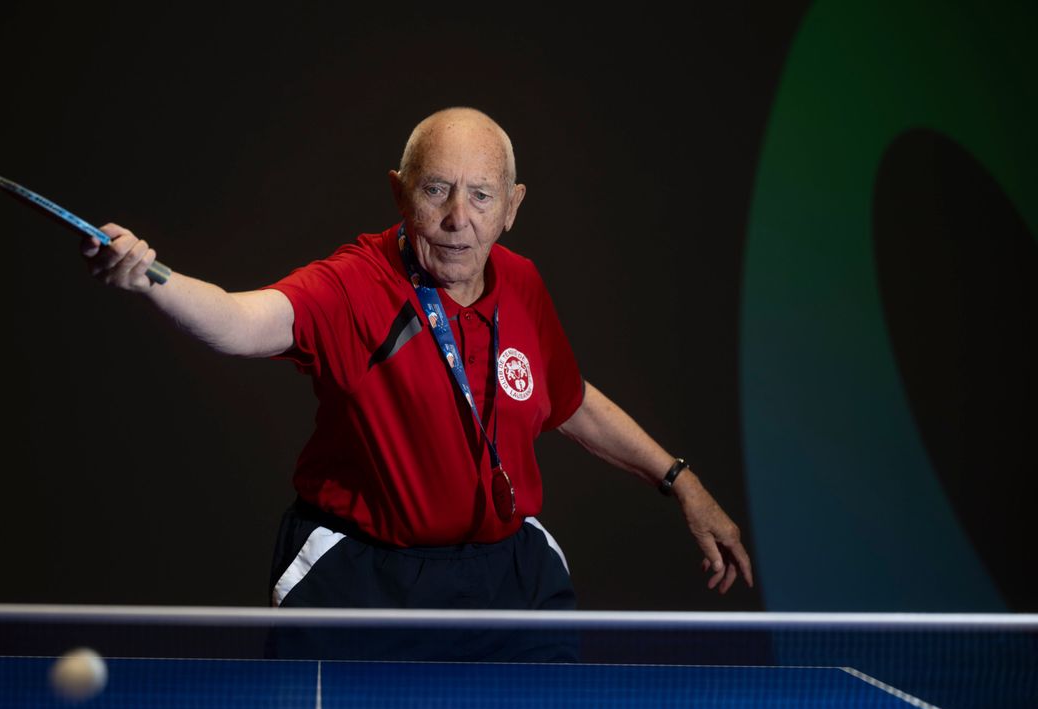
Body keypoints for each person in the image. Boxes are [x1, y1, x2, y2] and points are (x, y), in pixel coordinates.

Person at [80, 108, 753, 657]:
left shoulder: (521, 283)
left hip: (504, 579)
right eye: (436, 190)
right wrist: (151, 277)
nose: (459, 218)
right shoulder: (352, 285)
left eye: (481, 195)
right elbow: (237, 320)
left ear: (511, 206)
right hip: (363, 584)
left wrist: (682, 483)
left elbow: (569, 401)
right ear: (399, 191)